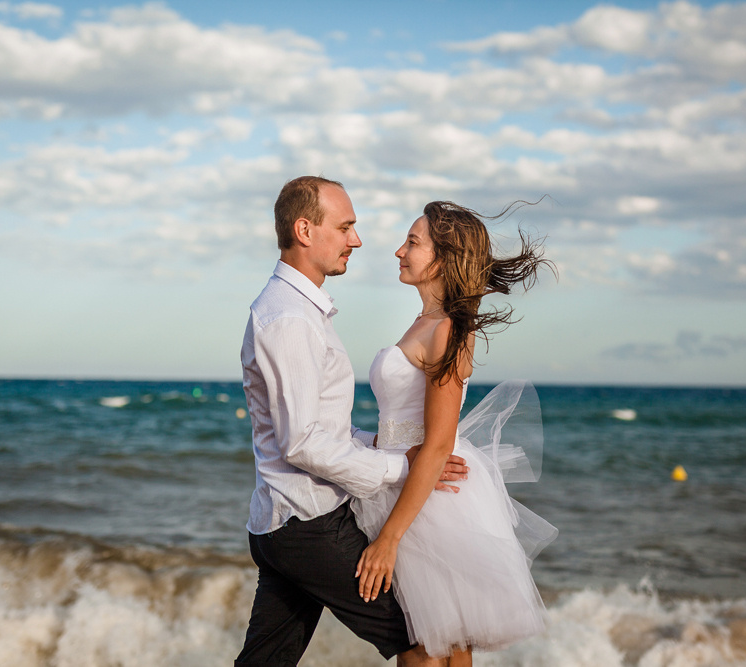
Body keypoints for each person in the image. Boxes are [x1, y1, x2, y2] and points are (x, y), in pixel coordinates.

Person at [234, 176, 469, 667]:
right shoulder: (292, 319)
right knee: (424, 637)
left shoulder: (300, 311)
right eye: (345, 228)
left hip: (282, 522)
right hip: (309, 522)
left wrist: (384, 449)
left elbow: (324, 429)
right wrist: (400, 468)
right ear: (304, 230)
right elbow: (302, 442)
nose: (356, 241)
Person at [351, 201, 558, 665]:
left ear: (443, 259)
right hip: (406, 477)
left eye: (413, 242)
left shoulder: (446, 330)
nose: (399, 251)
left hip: (427, 496)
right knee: (441, 640)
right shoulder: (427, 323)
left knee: (426, 646)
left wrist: (389, 538)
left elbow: (440, 442)